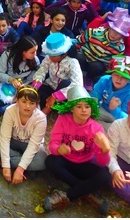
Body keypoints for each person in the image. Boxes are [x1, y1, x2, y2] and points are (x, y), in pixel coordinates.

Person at [43, 86, 111, 214]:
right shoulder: (63, 119)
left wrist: (105, 151)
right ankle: (86, 191)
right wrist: (59, 149)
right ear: (72, 108)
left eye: (87, 106)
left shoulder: (96, 128)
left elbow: (102, 162)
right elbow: (53, 145)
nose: (84, 110)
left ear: (92, 108)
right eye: (79, 106)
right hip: (65, 160)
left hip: (84, 164)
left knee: (105, 175)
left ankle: (67, 195)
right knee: (50, 161)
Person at [0, 86, 47, 183]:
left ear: (36, 104)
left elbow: (33, 146)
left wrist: (20, 169)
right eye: (24, 101)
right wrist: (6, 166)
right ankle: (20, 163)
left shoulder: (41, 119)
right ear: (17, 101)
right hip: (12, 140)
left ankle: (2, 160)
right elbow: (5, 138)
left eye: (32, 103)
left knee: (43, 161)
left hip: (29, 145)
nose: (27, 106)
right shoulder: (10, 110)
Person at [0, 36, 40, 120]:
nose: (35, 54)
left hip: (21, 87)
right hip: (6, 83)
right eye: (32, 52)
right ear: (23, 51)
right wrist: (11, 80)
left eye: (36, 51)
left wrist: (24, 86)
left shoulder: (35, 60)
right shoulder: (8, 55)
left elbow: (31, 79)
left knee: (23, 103)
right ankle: (8, 106)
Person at [76, 13, 130, 90]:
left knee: (96, 67)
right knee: (78, 58)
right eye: (113, 30)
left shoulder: (119, 48)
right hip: (84, 56)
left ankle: (88, 79)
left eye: (119, 34)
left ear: (122, 36)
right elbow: (80, 40)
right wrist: (77, 49)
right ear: (109, 28)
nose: (114, 34)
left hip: (97, 65)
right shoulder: (95, 32)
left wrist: (108, 70)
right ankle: (77, 73)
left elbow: (113, 62)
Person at [31, 33, 83, 114]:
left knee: (66, 83)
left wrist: (56, 96)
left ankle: (47, 109)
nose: (50, 58)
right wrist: (35, 85)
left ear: (64, 53)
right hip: (50, 87)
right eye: (49, 55)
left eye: (54, 56)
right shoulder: (49, 58)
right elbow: (42, 71)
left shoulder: (73, 62)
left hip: (64, 93)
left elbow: (78, 84)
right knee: (37, 89)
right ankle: (49, 106)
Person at [91, 55, 130, 131]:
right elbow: (94, 98)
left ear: (129, 80)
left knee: (122, 128)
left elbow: (127, 119)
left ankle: (99, 127)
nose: (119, 79)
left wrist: (115, 109)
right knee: (87, 113)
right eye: (116, 75)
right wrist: (91, 109)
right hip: (102, 110)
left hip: (117, 117)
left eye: (124, 77)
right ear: (111, 74)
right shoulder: (104, 80)